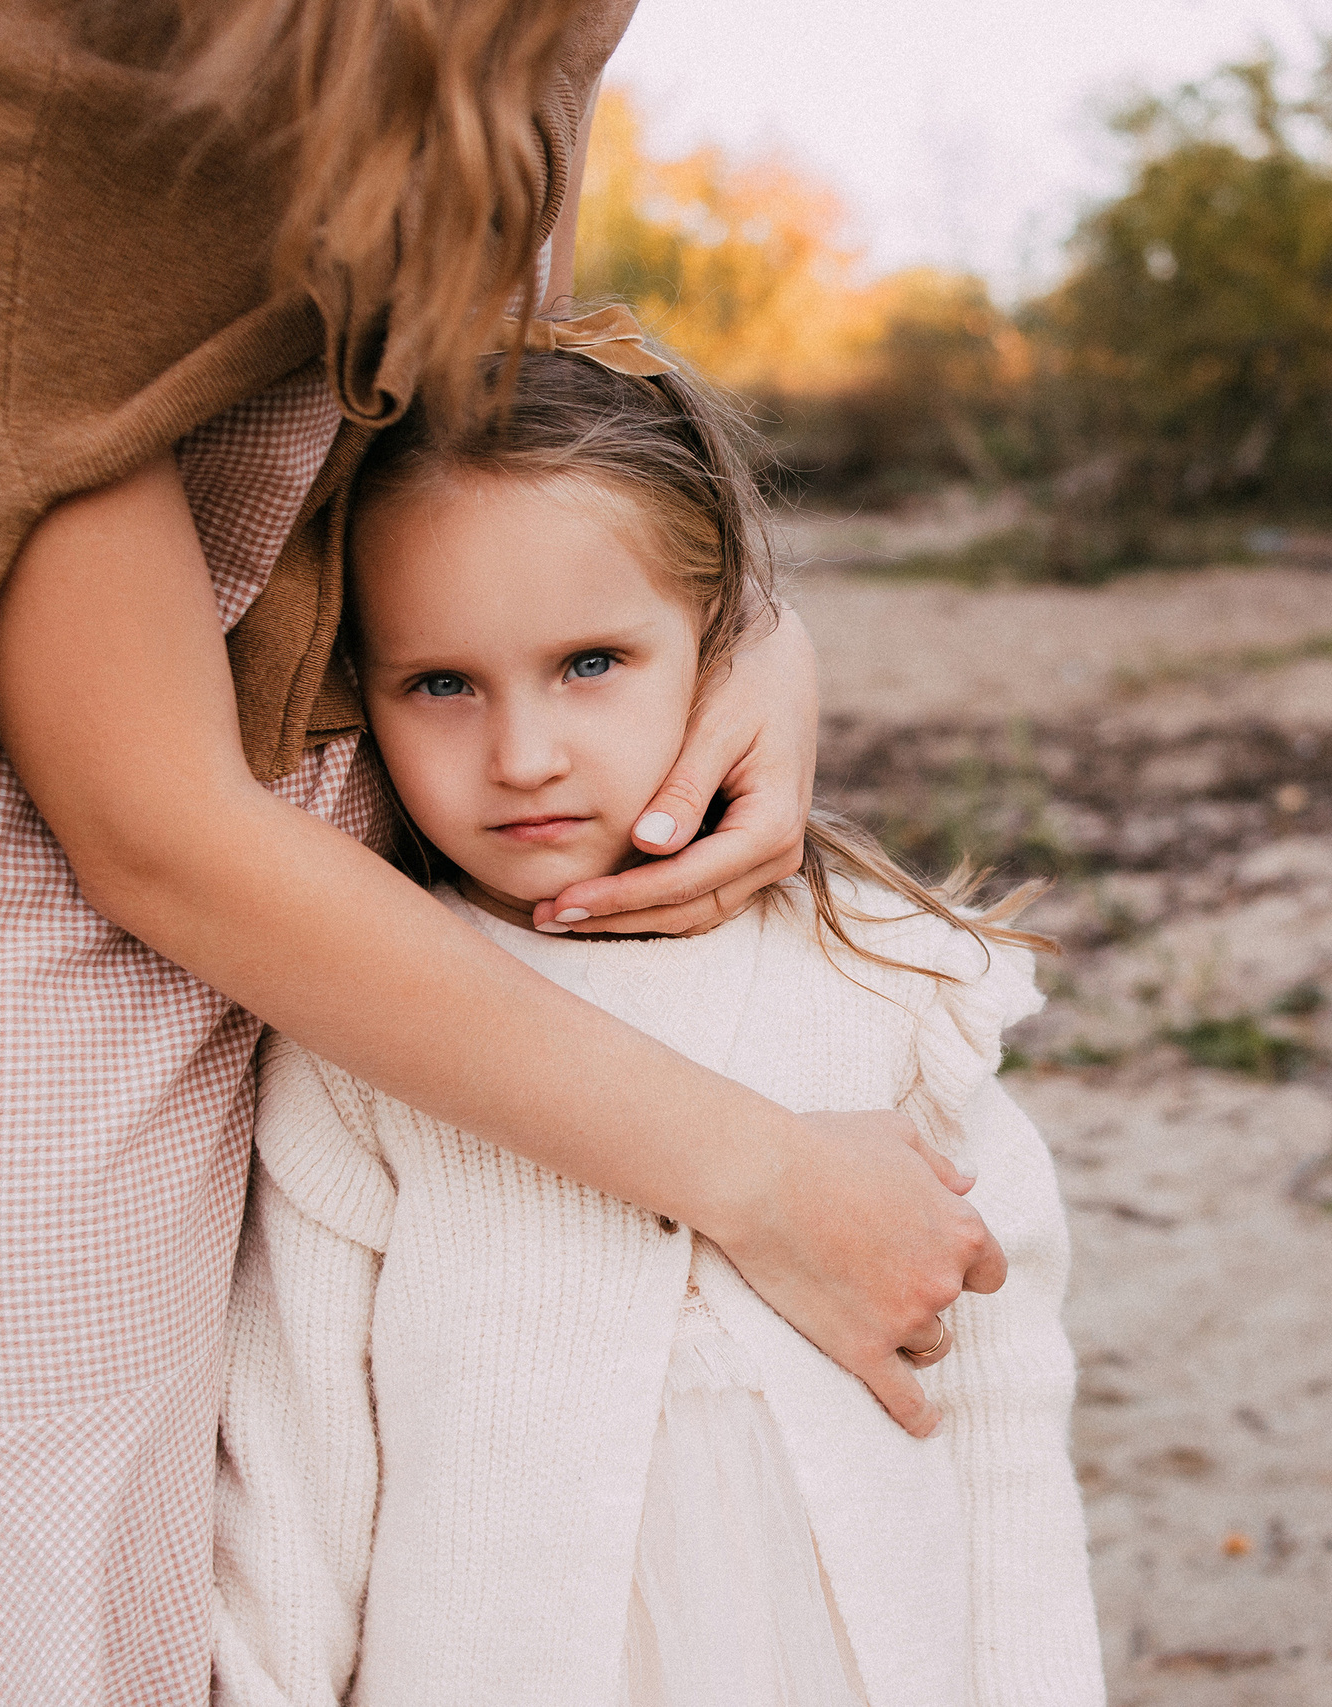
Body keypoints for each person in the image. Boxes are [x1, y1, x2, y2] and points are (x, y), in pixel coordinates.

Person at [0, 4, 999, 1700]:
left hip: (359, 958)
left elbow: (489, 410)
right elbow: (155, 823)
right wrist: (768, 1175)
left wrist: (738, 633)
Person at [209, 317, 1104, 1707]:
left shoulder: (886, 982)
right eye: (440, 684)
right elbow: (295, 1474)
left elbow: (1000, 1411)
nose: (524, 757)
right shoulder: (364, 1040)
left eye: (589, 665)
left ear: (719, 642)